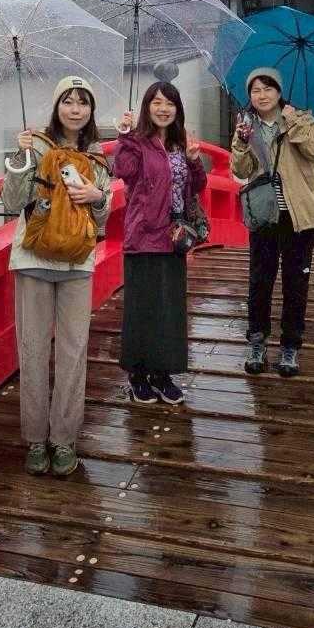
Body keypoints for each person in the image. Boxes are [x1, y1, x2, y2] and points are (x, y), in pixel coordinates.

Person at [1, 76, 112, 477]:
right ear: (56, 106)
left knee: (73, 352)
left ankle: (63, 439)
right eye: (68, 101)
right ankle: (35, 439)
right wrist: (20, 159)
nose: (76, 109)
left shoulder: (97, 157)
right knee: (32, 350)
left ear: (91, 110)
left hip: (77, 262)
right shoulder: (35, 145)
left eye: (83, 102)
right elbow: (12, 202)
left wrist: (99, 198)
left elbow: (101, 221)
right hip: (33, 258)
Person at [113, 81, 207, 405]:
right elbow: (123, 170)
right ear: (147, 107)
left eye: (170, 103)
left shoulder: (180, 144)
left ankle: (162, 373)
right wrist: (125, 136)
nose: (163, 109)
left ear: (177, 109)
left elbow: (197, 186)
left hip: (175, 236)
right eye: (157, 102)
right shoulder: (138, 142)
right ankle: (138, 374)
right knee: (142, 308)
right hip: (143, 236)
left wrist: (194, 160)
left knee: (169, 309)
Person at [230, 67, 314, 378]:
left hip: (298, 216)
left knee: (295, 283)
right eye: (255, 90)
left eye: (268, 88)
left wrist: (293, 121)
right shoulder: (247, 126)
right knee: (260, 281)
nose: (262, 95)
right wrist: (242, 143)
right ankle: (257, 341)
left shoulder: (303, 119)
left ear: (279, 91)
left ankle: (290, 346)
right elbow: (240, 170)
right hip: (264, 215)